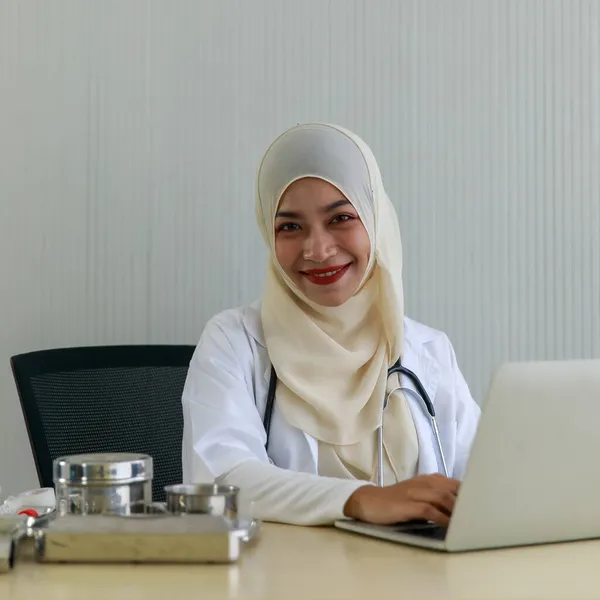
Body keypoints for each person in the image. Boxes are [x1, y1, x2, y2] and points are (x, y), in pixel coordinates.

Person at [181, 122, 480, 527]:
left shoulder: (427, 351)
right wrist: (360, 499)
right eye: (289, 226)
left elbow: (483, 487)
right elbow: (220, 482)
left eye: (340, 218)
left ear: (375, 220)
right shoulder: (236, 342)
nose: (318, 249)